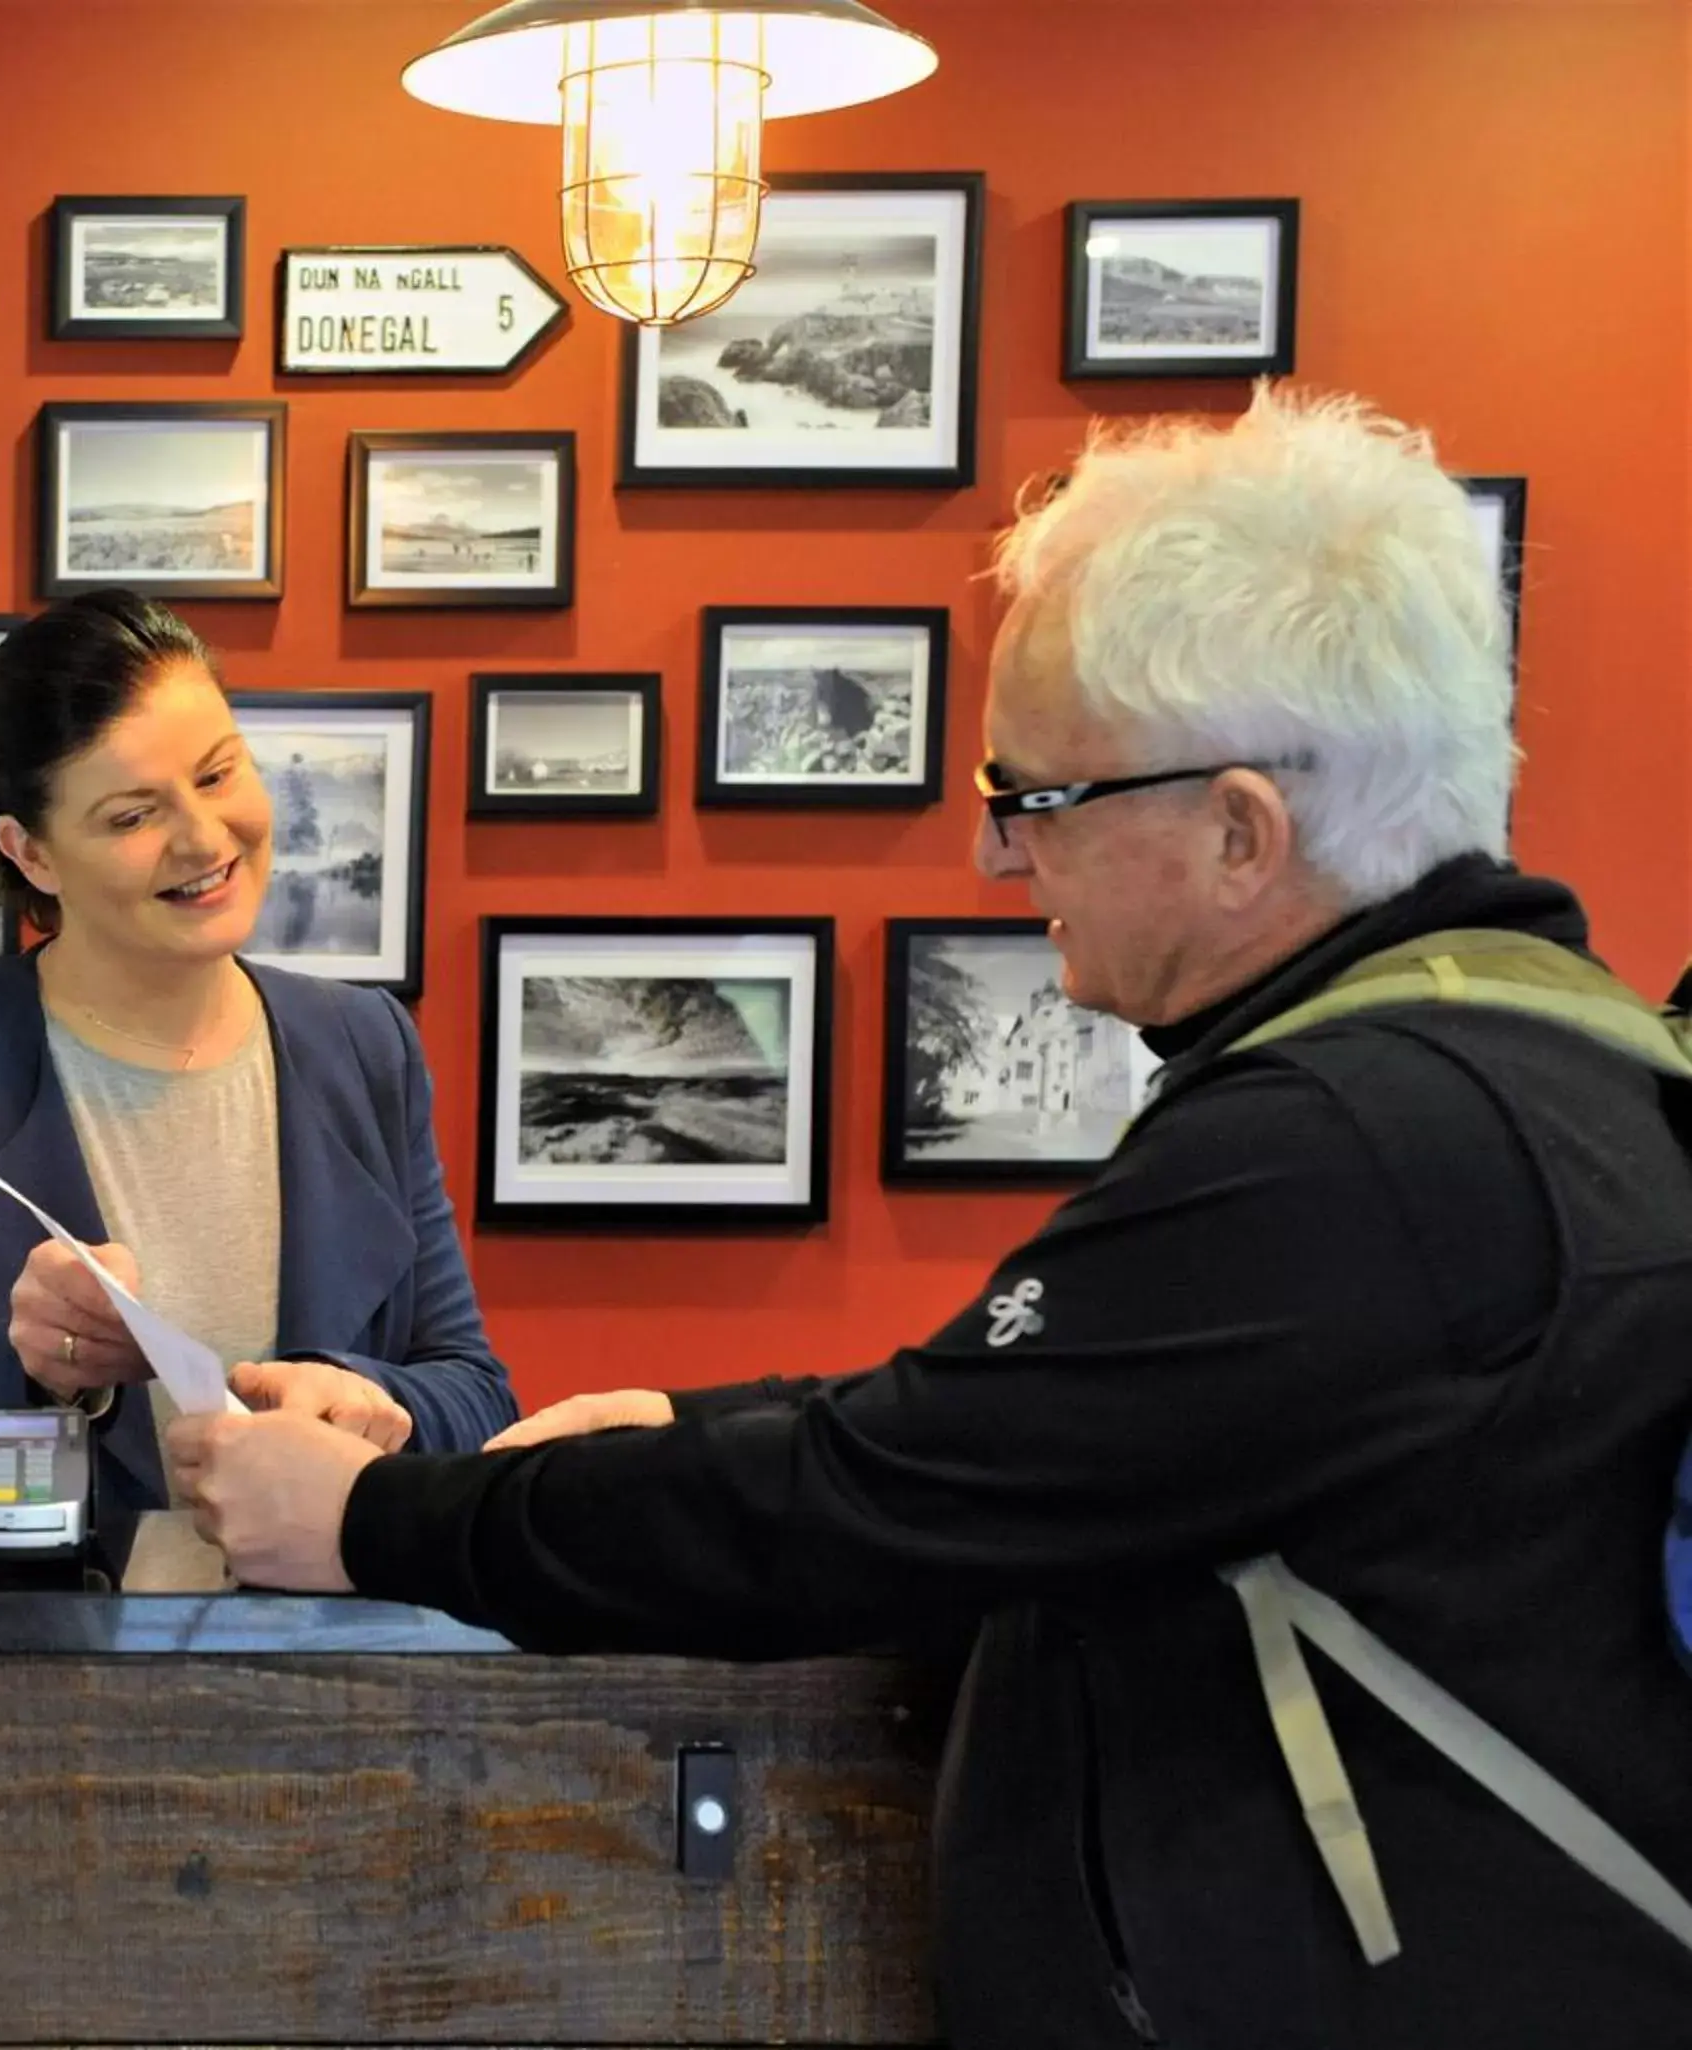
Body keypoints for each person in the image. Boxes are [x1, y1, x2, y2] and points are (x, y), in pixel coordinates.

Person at [167, 389, 1692, 2047]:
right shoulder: (1526, 1057)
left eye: (1033, 799)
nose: (984, 848)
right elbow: (1033, 1436)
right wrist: (666, 1422)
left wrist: (379, 1521)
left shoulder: (1350, 1147)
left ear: (1240, 831)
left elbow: (869, 1506)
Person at [0, 589, 516, 1510]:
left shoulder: (364, 1043)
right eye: (133, 817)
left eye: (218, 775)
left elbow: (477, 1395)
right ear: (32, 854)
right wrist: (29, 1371)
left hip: (327, 1637)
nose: (205, 839)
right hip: (47, 1642)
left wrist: (362, 1397)